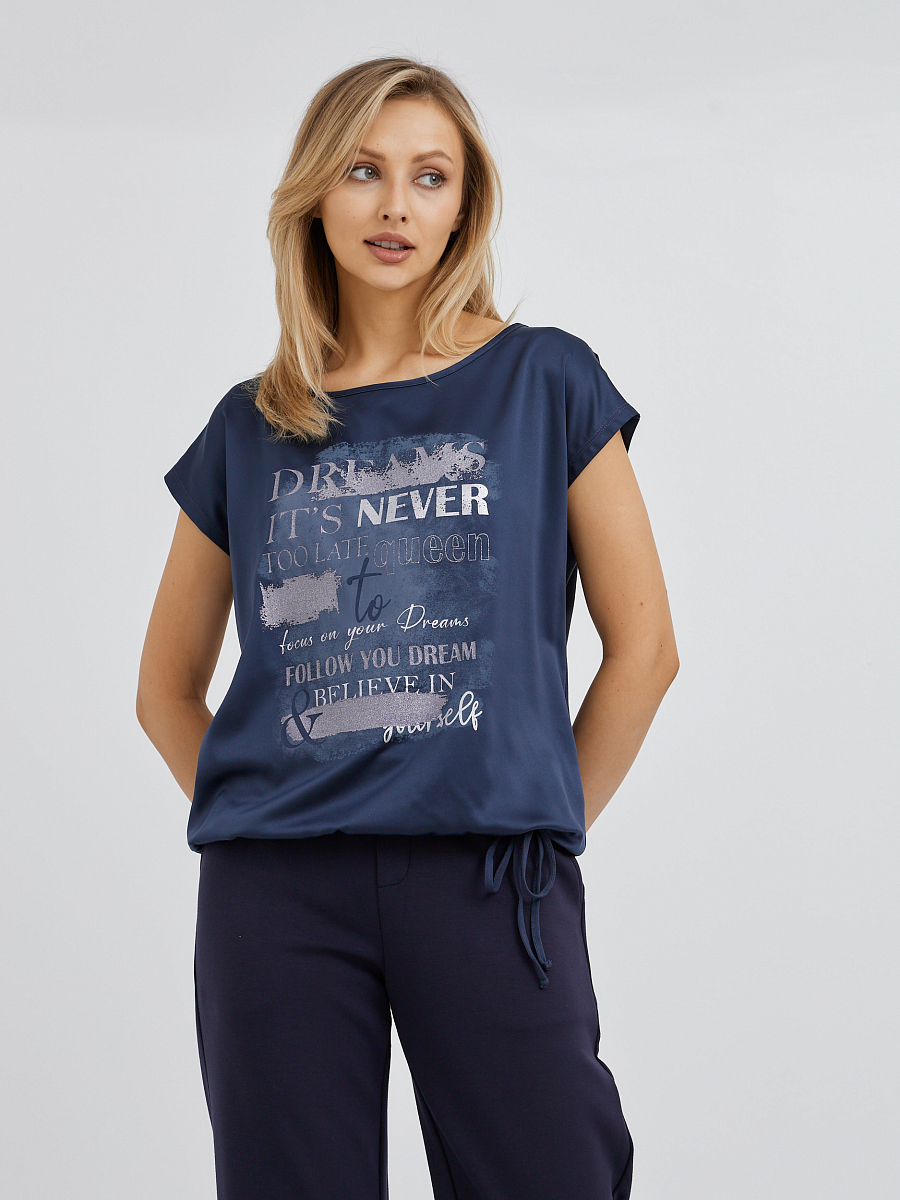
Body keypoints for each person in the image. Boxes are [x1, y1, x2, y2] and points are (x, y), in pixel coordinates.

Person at [136, 55, 678, 1200]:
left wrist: (537, 815)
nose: (395, 205)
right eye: (363, 171)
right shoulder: (251, 425)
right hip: (277, 896)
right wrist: (269, 812)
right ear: (314, 196)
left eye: (430, 176)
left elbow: (646, 652)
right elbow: (165, 689)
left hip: (490, 875)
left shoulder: (545, 379)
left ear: (464, 205)